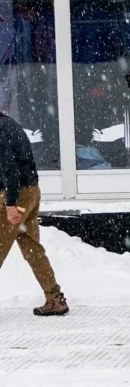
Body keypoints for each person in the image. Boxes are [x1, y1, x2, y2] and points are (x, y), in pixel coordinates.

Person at [0, 111, 68, 316]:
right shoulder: (10, 124)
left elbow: (9, 168)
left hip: (16, 195)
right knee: (32, 247)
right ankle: (55, 298)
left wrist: (11, 204)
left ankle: (55, 298)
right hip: (31, 191)